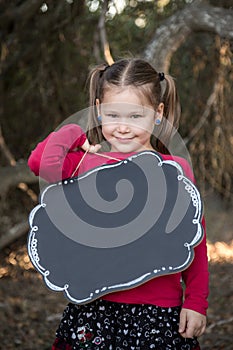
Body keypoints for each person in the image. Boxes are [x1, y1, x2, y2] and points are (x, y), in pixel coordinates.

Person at [28, 58, 209, 350]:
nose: (123, 128)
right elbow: (39, 161)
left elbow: (195, 244)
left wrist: (197, 302)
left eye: (136, 117)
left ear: (158, 113)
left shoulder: (175, 169)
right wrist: (75, 131)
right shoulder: (85, 165)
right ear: (98, 110)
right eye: (113, 114)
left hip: (159, 314)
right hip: (95, 311)